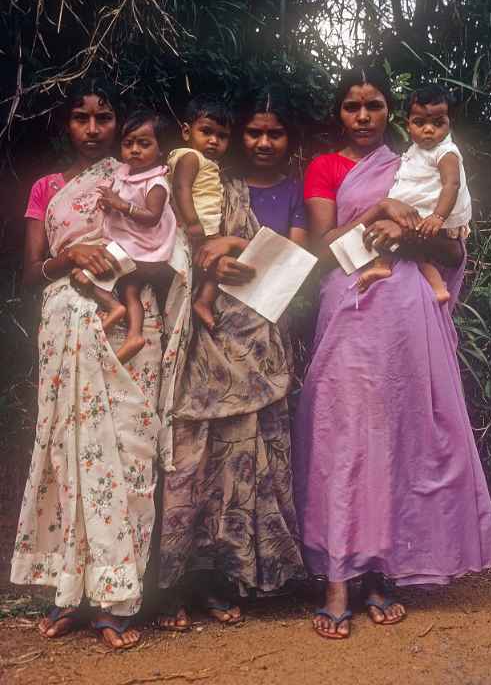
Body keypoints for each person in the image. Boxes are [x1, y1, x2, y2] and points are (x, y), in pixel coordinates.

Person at [293, 66, 491, 640]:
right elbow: (325, 248)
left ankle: (382, 572)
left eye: (375, 106)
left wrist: (408, 234)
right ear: (338, 114)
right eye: (352, 107)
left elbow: (452, 251)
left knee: (397, 437)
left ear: (395, 113)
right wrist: (379, 215)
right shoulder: (327, 167)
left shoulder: (422, 163)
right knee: (343, 436)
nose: (363, 117)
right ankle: (337, 577)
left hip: (410, 315)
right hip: (351, 308)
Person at [11, 79, 165, 650]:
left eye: (104, 118)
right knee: (67, 450)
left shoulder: (141, 180)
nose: (94, 129)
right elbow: (30, 273)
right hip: (65, 319)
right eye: (82, 118)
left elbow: (162, 249)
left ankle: (118, 599)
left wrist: (122, 270)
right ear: (67, 124)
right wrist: (68, 255)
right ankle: (69, 594)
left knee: (128, 452)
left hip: (129, 315)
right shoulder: (49, 188)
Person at [157, 90, 307, 631]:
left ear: (290, 141)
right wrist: (213, 257)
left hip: (259, 339)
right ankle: (173, 583)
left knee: (242, 464)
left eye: (276, 133)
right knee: (188, 459)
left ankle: (226, 578)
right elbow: (176, 242)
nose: (263, 142)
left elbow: (292, 262)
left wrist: (236, 244)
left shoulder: (294, 191)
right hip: (200, 336)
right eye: (254, 132)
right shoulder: (209, 184)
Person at [72, 109, 177, 363]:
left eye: (144, 143)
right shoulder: (126, 174)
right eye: (128, 143)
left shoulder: (157, 183)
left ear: (160, 148)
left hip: (146, 249)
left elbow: (151, 216)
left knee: (82, 274)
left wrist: (121, 205)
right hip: (131, 248)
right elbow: (118, 198)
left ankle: (113, 307)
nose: (135, 150)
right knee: (130, 290)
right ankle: (134, 334)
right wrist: (109, 203)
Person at [357, 84, 472, 302]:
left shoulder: (446, 152)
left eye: (438, 123)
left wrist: (438, 216)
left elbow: (452, 184)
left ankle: (430, 284)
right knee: (413, 251)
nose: (429, 129)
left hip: (433, 214)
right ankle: (392, 270)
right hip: (418, 211)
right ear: (408, 124)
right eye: (420, 122)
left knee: (413, 247)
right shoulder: (415, 150)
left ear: (449, 123)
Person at [166, 96, 231, 331]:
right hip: (195, 226)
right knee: (219, 259)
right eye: (206, 131)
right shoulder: (191, 157)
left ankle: (201, 301)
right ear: (186, 131)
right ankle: (202, 302)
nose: (214, 140)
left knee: (212, 263)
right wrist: (193, 223)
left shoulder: (203, 160)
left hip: (201, 226)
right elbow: (180, 188)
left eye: (222, 136)